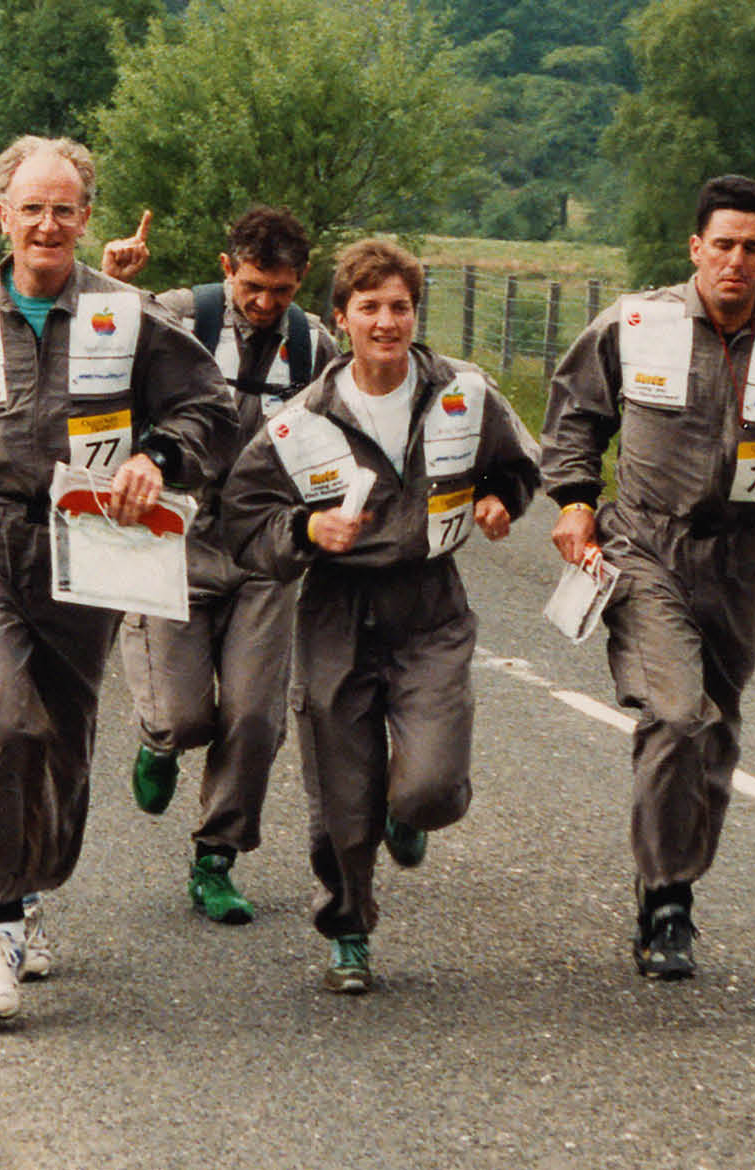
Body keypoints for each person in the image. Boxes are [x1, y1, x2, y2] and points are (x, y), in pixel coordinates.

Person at [0, 135, 237, 1021]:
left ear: (86, 218)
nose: (47, 225)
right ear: (2, 216)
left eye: (64, 209)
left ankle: (32, 885)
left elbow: (208, 405)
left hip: (88, 544)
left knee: (59, 738)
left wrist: (157, 458)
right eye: (31, 209)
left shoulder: (125, 313)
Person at [540, 174, 755, 981]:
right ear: (695, 248)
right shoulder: (637, 323)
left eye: (751, 247)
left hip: (739, 556)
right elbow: (577, 414)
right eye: (722, 244)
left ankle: (673, 877)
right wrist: (576, 502)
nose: (735, 261)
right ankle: (666, 901)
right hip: (644, 542)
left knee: (715, 725)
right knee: (676, 712)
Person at [216, 238, 539, 994]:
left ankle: (409, 811)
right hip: (338, 611)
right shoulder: (302, 420)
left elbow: (520, 463)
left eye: (400, 307)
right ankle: (349, 931)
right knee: (340, 790)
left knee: (431, 788)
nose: (386, 322)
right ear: (341, 318)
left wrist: (501, 500)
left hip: (430, 607)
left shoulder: (463, 392)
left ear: (416, 314)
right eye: (369, 308)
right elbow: (243, 519)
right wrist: (306, 530)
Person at [95, 206, 339, 925]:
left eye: (282, 290)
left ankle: (216, 858)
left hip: (267, 548)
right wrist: (113, 283)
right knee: (182, 716)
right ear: (228, 267)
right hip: (176, 537)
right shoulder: (180, 315)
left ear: (302, 280)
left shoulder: (315, 345)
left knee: (255, 718)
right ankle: (158, 743)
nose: (265, 303)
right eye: (253, 286)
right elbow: (97, 347)